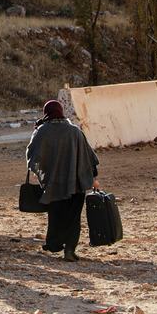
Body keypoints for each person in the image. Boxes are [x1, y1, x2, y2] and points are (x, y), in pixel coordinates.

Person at [26, 100, 100, 262]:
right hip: (76, 184)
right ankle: (70, 250)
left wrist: (41, 173)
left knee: (56, 215)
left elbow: (32, 156)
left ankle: (54, 244)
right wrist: (94, 177)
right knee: (73, 218)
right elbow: (89, 157)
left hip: (53, 185)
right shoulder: (74, 131)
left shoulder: (42, 131)